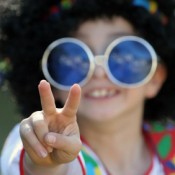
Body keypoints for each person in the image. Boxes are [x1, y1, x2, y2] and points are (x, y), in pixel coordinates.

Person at [0, 0, 175, 174]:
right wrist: (46, 162)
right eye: (74, 57)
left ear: (155, 78)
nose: (98, 71)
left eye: (122, 54)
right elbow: (37, 165)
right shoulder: (35, 136)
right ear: (50, 78)